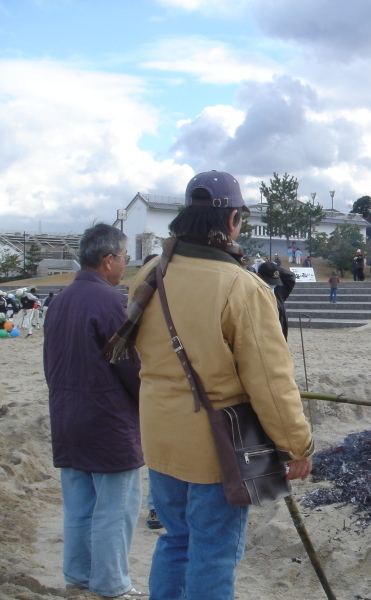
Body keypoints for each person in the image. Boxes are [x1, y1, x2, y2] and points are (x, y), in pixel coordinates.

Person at [108, 170, 313, 600]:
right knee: (214, 552)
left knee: (176, 539)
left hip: (161, 436)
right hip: (215, 445)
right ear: (233, 219)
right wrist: (296, 446)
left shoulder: (150, 273)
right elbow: (271, 381)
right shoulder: (240, 285)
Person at [43, 223, 144, 598]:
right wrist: (148, 402)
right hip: (107, 419)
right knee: (115, 507)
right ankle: (112, 584)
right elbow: (132, 367)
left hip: (67, 414)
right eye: (124, 258)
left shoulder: (60, 300)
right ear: (108, 261)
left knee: (80, 506)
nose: (125, 265)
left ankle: (78, 575)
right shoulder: (109, 302)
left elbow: (49, 362)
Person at [257, 261, 296, 340]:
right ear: (259, 276)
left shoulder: (278, 291)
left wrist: (275, 269)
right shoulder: (253, 292)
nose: (272, 284)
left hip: (278, 335)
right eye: (269, 280)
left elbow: (290, 276)